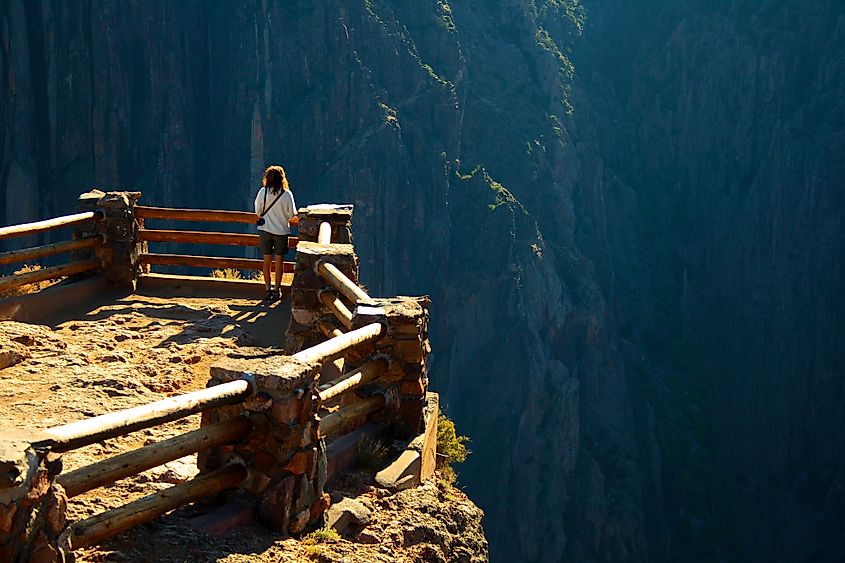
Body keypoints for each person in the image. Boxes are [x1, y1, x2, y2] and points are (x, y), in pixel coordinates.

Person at [255, 165, 298, 301]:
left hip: (265, 230)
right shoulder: (286, 194)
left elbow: (258, 211)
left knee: (266, 261)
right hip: (281, 231)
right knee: (279, 261)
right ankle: (277, 289)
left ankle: (267, 289)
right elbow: (291, 215)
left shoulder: (263, 192)